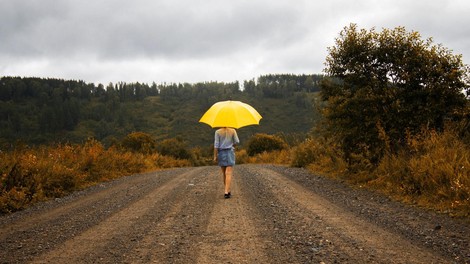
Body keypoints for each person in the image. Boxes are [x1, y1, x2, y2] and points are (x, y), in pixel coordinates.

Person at [213, 127, 240, 199]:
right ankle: (226, 191)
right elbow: (237, 141)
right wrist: (232, 145)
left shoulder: (217, 132)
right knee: (228, 173)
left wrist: (215, 156)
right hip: (230, 152)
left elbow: (216, 145)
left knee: (224, 173)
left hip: (221, 153)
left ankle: (227, 190)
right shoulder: (233, 131)